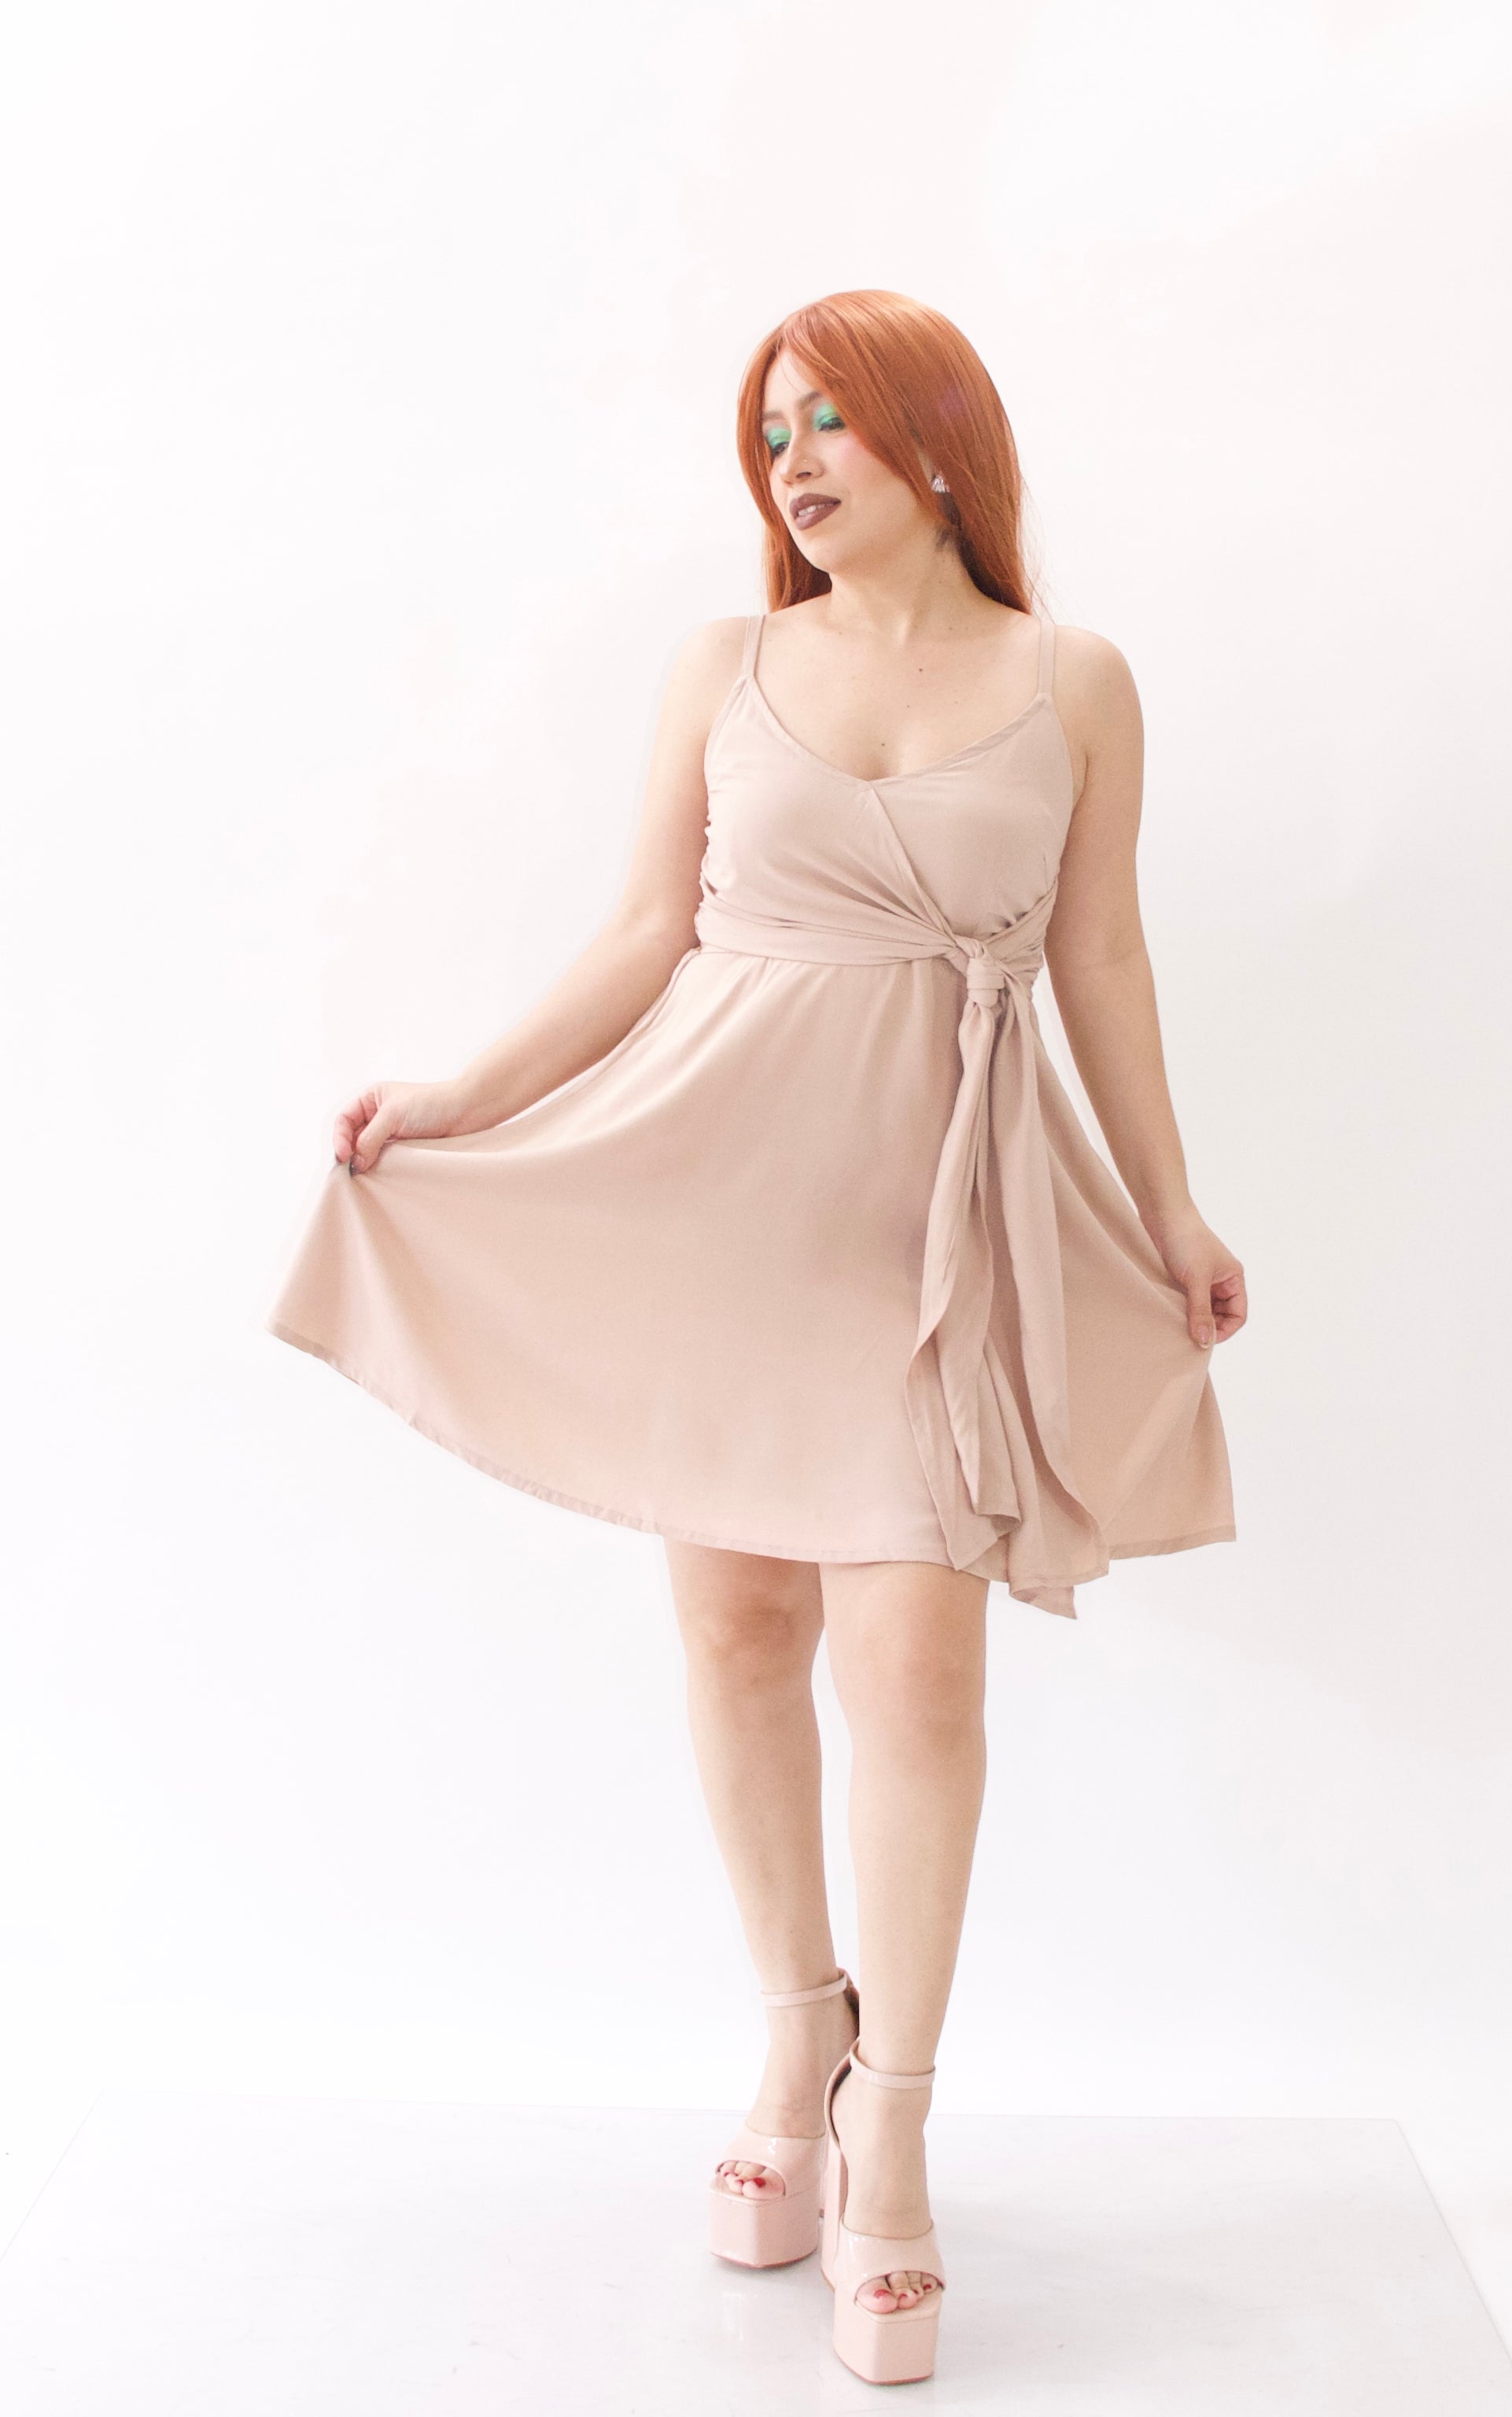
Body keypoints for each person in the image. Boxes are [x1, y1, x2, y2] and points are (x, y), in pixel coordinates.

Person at [265, 288, 1245, 2386]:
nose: (792, 465)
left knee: (918, 1660)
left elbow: (1102, 963)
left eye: (830, 426)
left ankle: (893, 2129)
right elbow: (646, 932)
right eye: (770, 434)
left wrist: (1171, 1210)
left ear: (939, 446)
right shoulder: (724, 665)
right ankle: (798, 2042)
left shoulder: (1073, 680)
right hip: (713, 1198)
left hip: (929, 1230)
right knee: (732, 1631)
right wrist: (461, 1097)